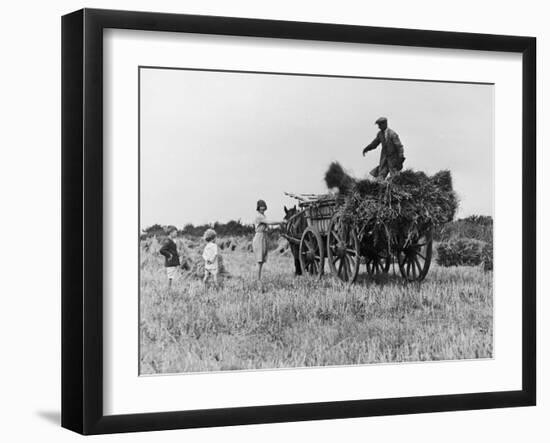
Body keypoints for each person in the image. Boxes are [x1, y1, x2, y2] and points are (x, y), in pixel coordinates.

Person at [253, 199, 283, 282]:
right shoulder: (259, 216)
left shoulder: (263, 215)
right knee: (259, 261)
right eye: (261, 208)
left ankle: (258, 278)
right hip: (259, 237)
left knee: (261, 261)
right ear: (258, 208)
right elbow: (269, 222)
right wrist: (280, 222)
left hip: (263, 236)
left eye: (264, 208)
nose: (262, 210)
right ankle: (258, 280)